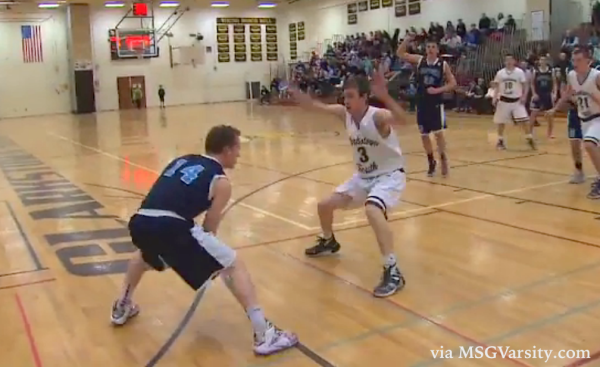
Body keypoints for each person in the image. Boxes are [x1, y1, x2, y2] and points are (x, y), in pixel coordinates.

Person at [109, 125, 298, 355]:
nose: (239, 153)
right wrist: (205, 257)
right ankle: (264, 334)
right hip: (171, 226)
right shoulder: (221, 181)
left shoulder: (183, 160)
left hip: (141, 221)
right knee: (233, 264)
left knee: (142, 257)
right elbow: (209, 228)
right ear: (227, 149)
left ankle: (122, 305)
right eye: (238, 148)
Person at [291, 70, 407, 298]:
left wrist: (385, 96)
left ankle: (393, 270)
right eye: (345, 96)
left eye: (351, 96)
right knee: (324, 206)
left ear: (364, 97)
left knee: (373, 210)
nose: (346, 101)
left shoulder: (377, 117)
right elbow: (315, 108)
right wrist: (300, 95)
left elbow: (404, 120)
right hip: (363, 178)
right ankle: (329, 241)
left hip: (389, 176)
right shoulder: (344, 114)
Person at [397, 35, 457, 177]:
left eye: (433, 47)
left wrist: (438, 90)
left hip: (435, 103)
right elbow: (400, 53)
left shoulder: (442, 64)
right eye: (428, 47)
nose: (430, 49)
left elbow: (453, 83)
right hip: (422, 101)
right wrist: (406, 40)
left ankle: (442, 158)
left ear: (437, 50)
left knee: (438, 134)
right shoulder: (420, 61)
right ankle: (431, 161)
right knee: (424, 135)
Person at [550, 48, 600, 197]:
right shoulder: (572, 75)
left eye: (579, 60)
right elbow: (568, 93)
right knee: (592, 149)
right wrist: (555, 109)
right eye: (573, 60)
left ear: (588, 61)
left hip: (597, 118)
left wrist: (594, 97)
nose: (575, 63)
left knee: (589, 145)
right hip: (584, 119)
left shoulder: (596, 76)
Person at [492, 54, 535, 150]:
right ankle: (500, 140)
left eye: (510, 60)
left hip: (516, 101)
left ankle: (529, 138)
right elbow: (497, 86)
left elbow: (525, 85)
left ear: (514, 61)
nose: (508, 62)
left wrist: (524, 96)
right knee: (501, 122)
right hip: (504, 100)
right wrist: (495, 97)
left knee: (524, 120)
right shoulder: (500, 73)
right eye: (506, 60)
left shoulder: (519, 72)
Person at [530, 55, 557, 138]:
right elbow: (532, 83)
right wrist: (534, 93)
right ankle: (530, 133)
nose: (542, 61)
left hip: (548, 94)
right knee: (533, 114)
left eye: (544, 60)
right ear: (539, 61)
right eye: (541, 60)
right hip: (538, 94)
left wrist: (555, 93)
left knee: (550, 115)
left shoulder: (551, 71)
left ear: (546, 61)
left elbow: (555, 83)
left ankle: (550, 133)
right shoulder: (535, 71)